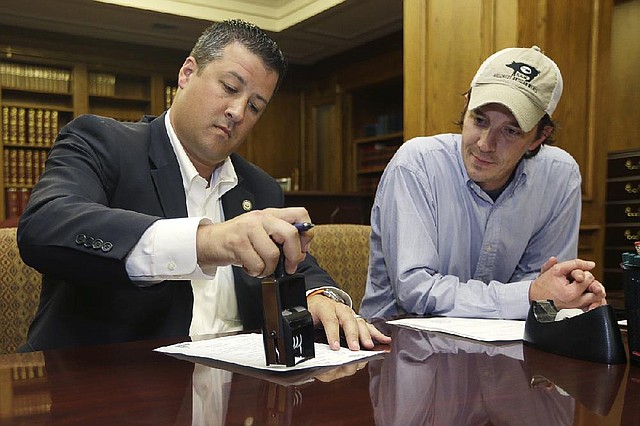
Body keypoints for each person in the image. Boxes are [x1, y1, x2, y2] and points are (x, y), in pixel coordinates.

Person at [17, 19, 390, 352]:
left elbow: (297, 264)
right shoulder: (102, 142)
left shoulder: (259, 188)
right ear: (187, 73)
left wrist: (321, 295)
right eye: (229, 87)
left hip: (239, 391)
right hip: (107, 387)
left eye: (256, 106)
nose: (238, 112)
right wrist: (208, 242)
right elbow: (45, 226)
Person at [359, 46, 606, 320]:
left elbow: (543, 294)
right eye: (479, 119)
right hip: (398, 341)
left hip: (503, 347)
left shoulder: (560, 175)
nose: (485, 144)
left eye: (510, 131)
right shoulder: (417, 164)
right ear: (466, 106)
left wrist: (568, 296)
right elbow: (415, 291)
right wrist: (528, 295)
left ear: (539, 137)